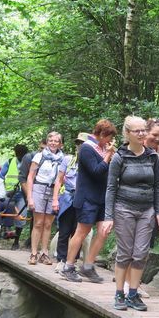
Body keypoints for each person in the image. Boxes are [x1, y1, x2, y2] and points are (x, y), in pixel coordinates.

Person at [100, 116, 159, 311]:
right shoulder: (119, 157)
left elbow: (157, 186)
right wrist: (108, 217)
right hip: (124, 209)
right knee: (125, 253)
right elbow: (111, 188)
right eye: (137, 131)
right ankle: (120, 293)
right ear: (127, 134)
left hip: (147, 211)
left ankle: (133, 294)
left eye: (143, 130)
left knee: (141, 254)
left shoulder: (152, 156)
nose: (142, 134)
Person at [60, 119, 117, 283]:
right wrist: (107, 157)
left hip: (101, 198)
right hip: (87, 198)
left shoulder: (102, 149)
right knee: (82, 232)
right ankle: (68, 266)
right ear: (101, 134)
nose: (110, 141)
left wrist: (109, 156)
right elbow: (96, 171)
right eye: (108, 137)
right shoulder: (87, 148)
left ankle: (88, 266)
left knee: (103, 231)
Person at [26, 132, 64, 265]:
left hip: (54, 190)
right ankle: (33, 253)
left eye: (56, 141)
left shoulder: (62, 159)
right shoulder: (39, 156)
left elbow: (61, 179)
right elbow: (30, 176)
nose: (53, 143)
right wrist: (30, 197)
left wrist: (56, 198)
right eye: (51, 140)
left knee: (48, 224)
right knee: (38, 223)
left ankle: (44, 252)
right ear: (47, 142)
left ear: (61, 144)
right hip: (39, 188)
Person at [53, 133, 88, 272]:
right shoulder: (68, 160)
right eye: (78, 144)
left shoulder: (91, 162)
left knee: (78, 232)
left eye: (83, 144)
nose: (80, 146)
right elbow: (59, 180)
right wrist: (55, 199)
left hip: (83, 200)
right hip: (67, 198)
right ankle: (61, 260)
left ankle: (72, 260)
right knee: (64, 231)